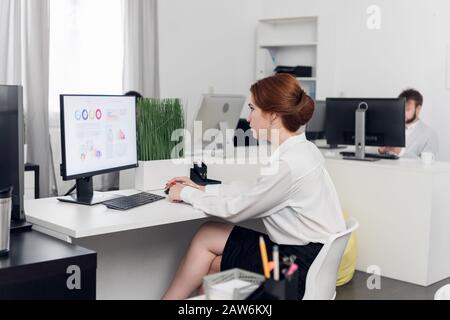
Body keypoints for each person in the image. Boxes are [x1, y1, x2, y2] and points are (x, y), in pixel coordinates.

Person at [161, 74, 346, 300]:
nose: (248, 118)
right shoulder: (304, 150)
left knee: (206, 234)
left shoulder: (287, 166)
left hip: (295, 269)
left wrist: (186, 193)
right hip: (307, 260)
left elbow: (236, 210)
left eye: (252, 109)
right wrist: (203, 189)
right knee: (213, 264)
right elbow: (255, 190)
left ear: (273, 115)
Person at [379, 88, 438, 158]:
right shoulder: (389, 129)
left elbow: (427, 163)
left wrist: (400, 152)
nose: (402, 112)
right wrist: (380, 150)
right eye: (400, 108)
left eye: (407, 109)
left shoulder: (430, 134)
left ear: (418, 109)